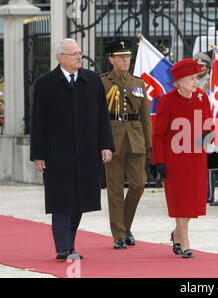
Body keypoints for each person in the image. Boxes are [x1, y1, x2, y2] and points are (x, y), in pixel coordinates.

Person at [30, 38, 115, 260]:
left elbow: (102, 117)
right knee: (61, 200)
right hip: (57, 154)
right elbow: (37, 121)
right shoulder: (45, 83)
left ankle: (69, 244)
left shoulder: (93, 80)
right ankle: (64, 247)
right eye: (74, 53)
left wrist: (106, 145)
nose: (79, 56)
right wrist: (38, 155)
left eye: (80, 52)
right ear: (61, 58)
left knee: (79, 201)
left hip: (86, 152)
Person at [152, 58, 213, 258]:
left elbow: (209, 123)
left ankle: (177, 234)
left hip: (196, 158)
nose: (196, 82)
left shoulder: (202, 97)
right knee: (180, 200)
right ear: (179, 81)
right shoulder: (166, 100)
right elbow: (158, 133)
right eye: (191, 78)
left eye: (196, 77)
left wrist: (207, 135)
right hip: (174, 159)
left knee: (192, 201)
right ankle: (185, 242)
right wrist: (159, 160)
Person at [100, 40, 153, 249]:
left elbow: (145, 117)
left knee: (139, 184)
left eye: (128, 57)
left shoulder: (138, 83)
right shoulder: (102, 82)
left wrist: (149, 146)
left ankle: (125, 225)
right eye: (121, 57)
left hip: (136, 138)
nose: (125, 60)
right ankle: (119, 235)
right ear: (111, 59)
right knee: (114, 189)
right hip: (112, 138)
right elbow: (97, 116)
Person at [194, 52, 218, 206]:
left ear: (208, 68)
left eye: (202, 66)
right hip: (196, 123)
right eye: (197, 66)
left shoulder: (210, 82)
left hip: (212, 124)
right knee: (202, 162)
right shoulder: (193, 82)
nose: (199, 68)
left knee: (216, 161)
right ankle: (205, 193)